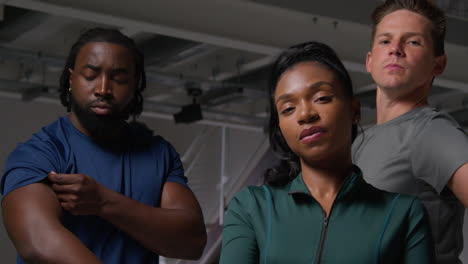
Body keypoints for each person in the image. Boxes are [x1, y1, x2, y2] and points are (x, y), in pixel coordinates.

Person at [1, 28, 207, 264]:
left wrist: (105, 202)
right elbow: (36, 242)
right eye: (90, 75)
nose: (103, 89)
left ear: (135, 84)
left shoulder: (159, 154)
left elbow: (192, 242)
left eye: (119, 78)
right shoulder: (40, 153)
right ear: (71, 79)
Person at [220, 41, 434, 263]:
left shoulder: (404, 214)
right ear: (281, 129)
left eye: (321, 98)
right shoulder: (252, 208)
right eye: (288, 109)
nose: (305, 114)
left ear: (354, 111)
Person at [352, 0, 468, 263]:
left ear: (438, 65)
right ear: (369, 61)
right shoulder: (359, 143)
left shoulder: (431, 131)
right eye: (385, 41)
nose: (395, 50)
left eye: (413, 42)